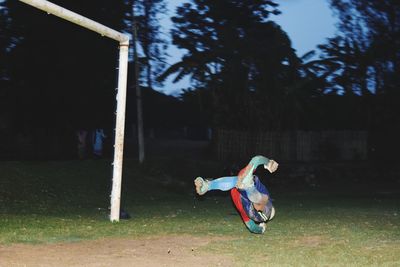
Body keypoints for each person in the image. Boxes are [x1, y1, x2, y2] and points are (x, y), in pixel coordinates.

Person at [194, 155, 279, 234]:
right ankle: (248, 187)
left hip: (249, 200)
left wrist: (268, 162)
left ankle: (208, 185)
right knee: (259, 197)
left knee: (259, 198)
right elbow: (252, 227)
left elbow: (257, 159)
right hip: (249, 196)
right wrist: (261, 229)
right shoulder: (242, 182)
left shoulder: (239, 182)